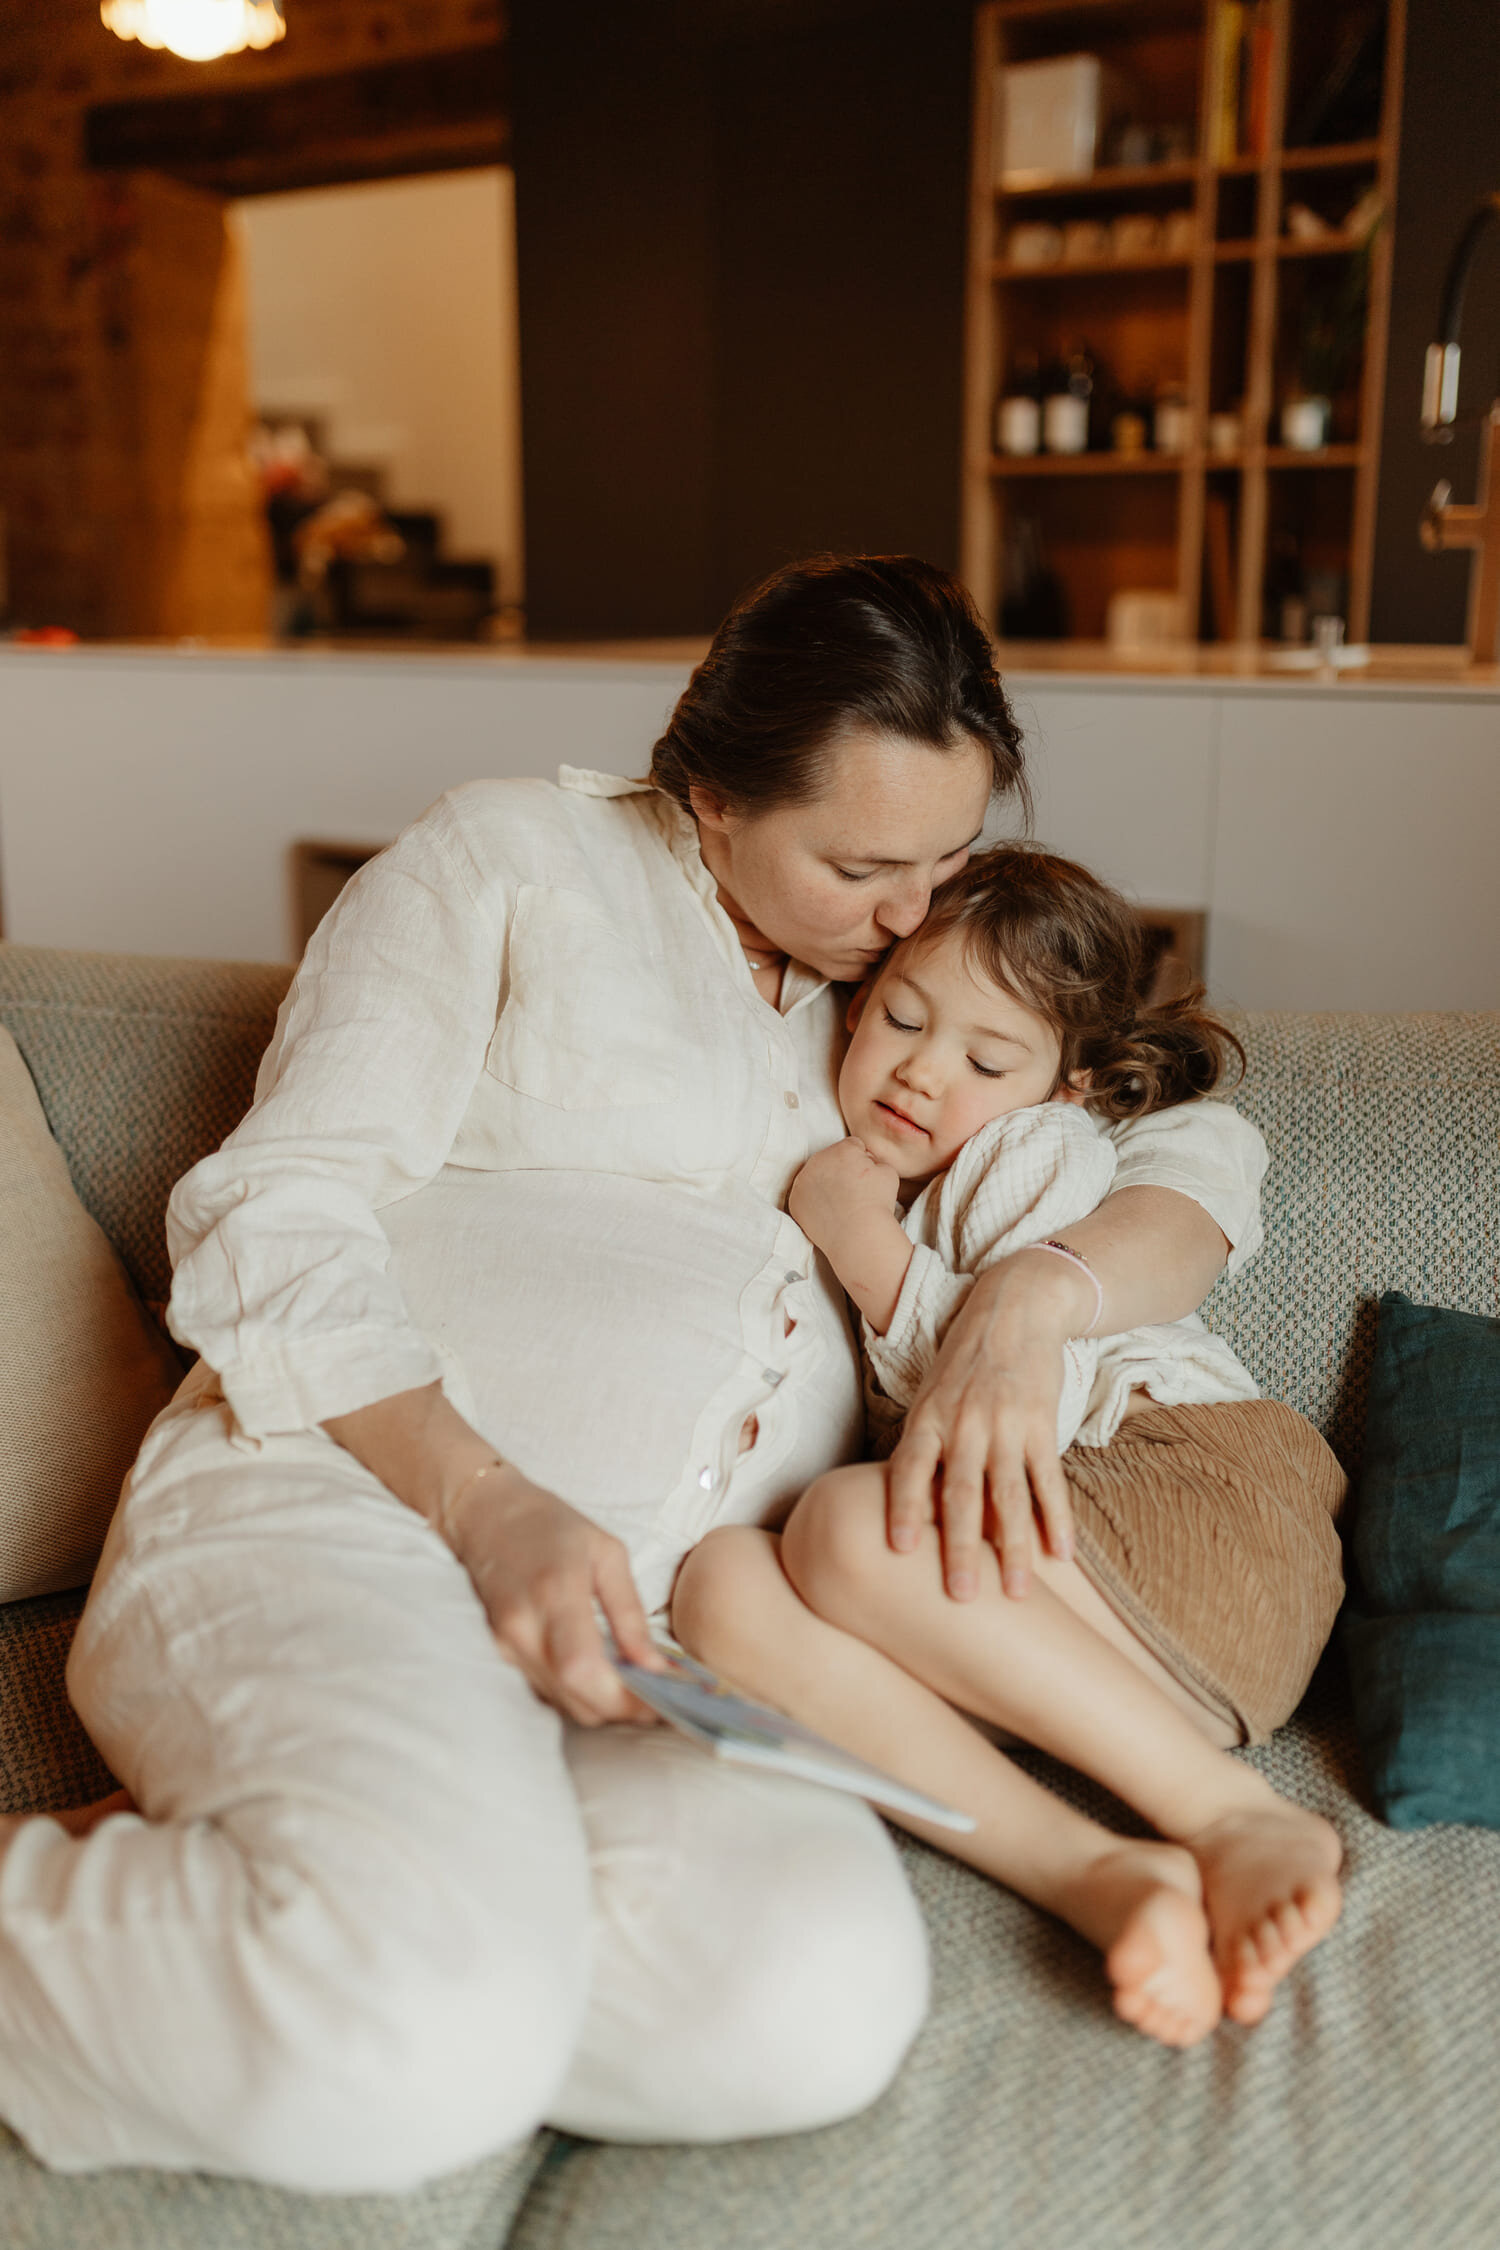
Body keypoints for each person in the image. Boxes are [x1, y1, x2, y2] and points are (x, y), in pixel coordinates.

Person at [0, 557, 1267, 2193]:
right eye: (867, 866)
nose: (918, 914)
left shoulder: (920, 1007)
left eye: (951, 857)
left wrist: (1032, 1301)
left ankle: (332, 1922)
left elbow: (1199, 1146)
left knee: (812, 2001)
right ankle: (372, 1971)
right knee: (412, 2035)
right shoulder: (509, 860)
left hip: (652, 1652)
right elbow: (269, 1210)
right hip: (355, 1508)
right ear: (717, 791)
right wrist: (491, 1502)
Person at [672, 845, 1347, 2051]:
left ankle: (1235, 1819)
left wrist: (858, 1241)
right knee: (721, 1589)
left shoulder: (1034, 1155)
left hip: (1191, 1492)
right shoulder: (907, 1147)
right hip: (1089, 1637)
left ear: (1068, 1084)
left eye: (984, 1059)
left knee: (841, 1526)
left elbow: (1032, 1406)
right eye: (900, 1021)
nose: (924, 1075)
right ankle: (1097, 1876)